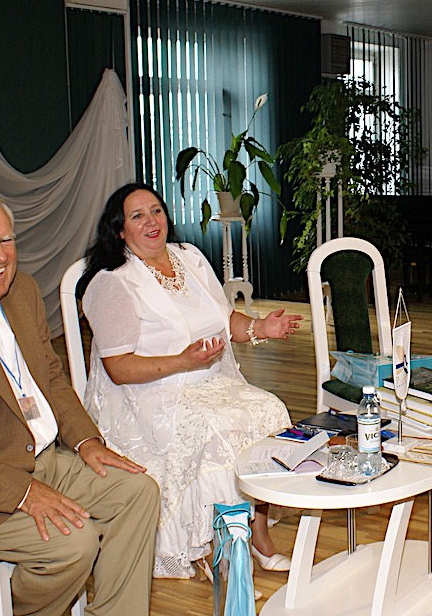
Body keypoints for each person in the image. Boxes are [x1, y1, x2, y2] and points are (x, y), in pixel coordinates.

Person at [0, 189, 159, 616]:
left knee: (138, 492)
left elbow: (49, 376)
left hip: (39, 458)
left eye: (6, 240)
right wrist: (23, 492)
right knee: (72, 545)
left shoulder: (21, 292)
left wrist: (86, 441)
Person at [78, 183, 301, 580]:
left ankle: (258, 535)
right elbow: (119, 369)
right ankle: (214, 547)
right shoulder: (114, 282)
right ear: (120, 230)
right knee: (216, 430)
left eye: (156, 211)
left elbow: (224, 319)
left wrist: (260, 327)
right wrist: (181, 361)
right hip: (150, 394)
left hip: (210, 383)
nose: (151, 222)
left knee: (270, 410)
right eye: (137, 216)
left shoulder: (189, 257)